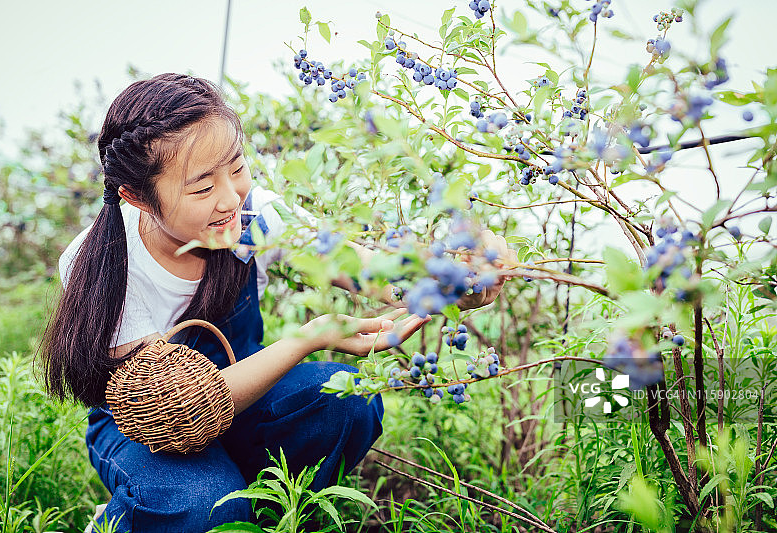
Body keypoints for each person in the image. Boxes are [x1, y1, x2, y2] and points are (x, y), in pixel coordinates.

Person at [37, 73, 511, 532]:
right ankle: (125, 520)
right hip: (147, 429)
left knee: (346, 399)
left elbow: (371, 272)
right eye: (203, 187)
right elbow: (179, 411)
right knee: (206, 506)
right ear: (137, 197)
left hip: (239, 398)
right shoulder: (105, 263)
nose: (231, 198)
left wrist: (458, 276)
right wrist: (312, 336)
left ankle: (269, 516)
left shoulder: (256, 217)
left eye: (237, 167)